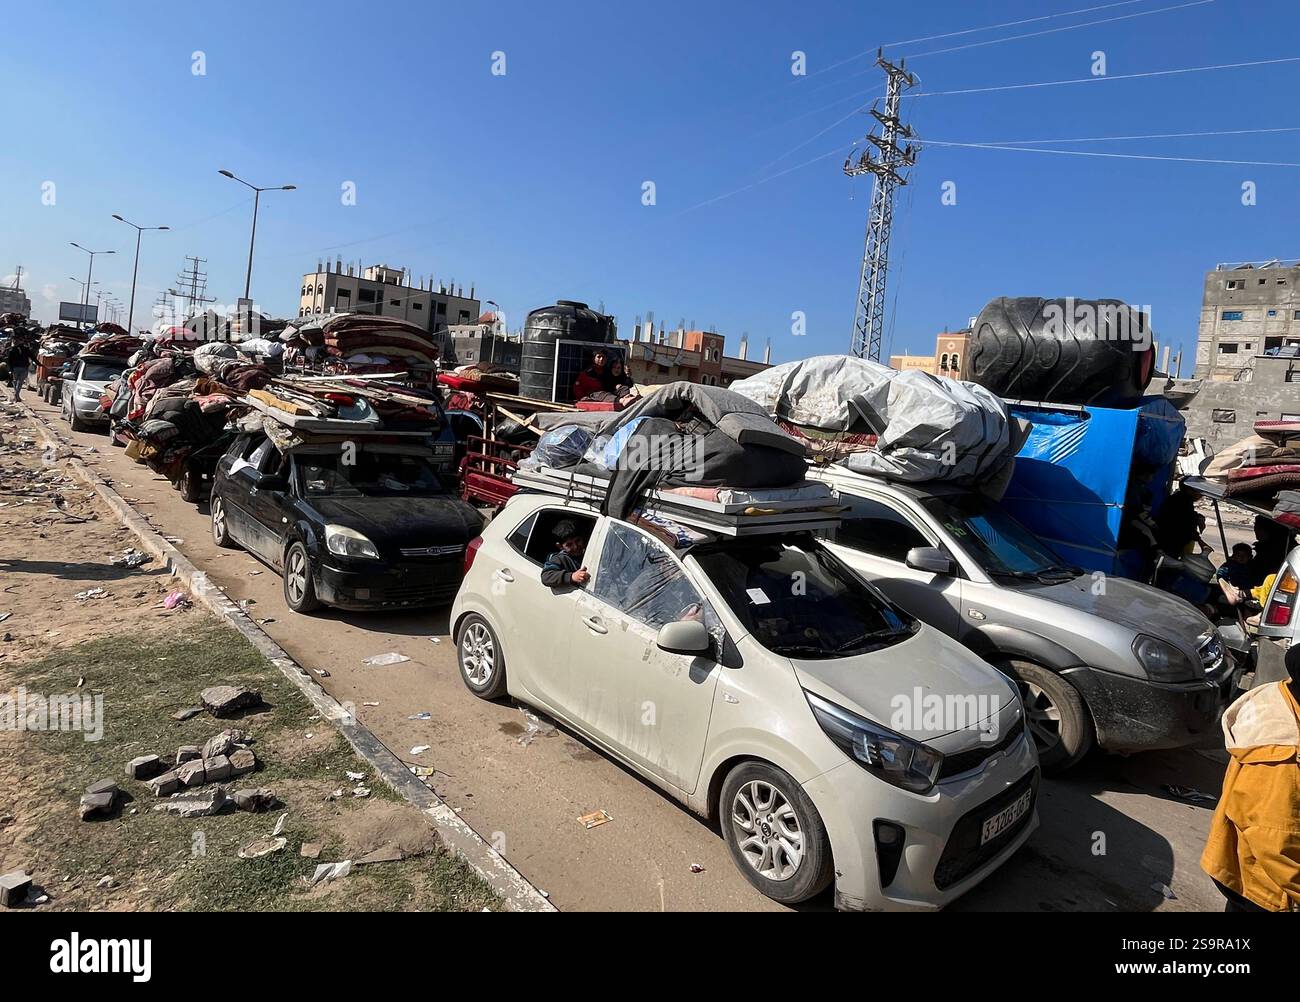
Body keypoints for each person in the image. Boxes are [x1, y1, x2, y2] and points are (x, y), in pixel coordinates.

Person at [1200, 644, 1300, 912]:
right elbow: (1275, 842)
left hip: (1249, 867)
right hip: (1265, 886)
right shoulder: (1283, 754)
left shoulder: (1281, 694)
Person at [541, 519, 591, 588]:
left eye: (578, 540)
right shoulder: (560, 559)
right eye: (569, 544)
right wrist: (571, 576)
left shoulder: (589, 551)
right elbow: (546, 576)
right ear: (560, 546)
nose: (576, 546)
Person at [1215, 543, 1257, 607]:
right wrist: (1227, 585)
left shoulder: (1252, 566)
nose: (1241, 558)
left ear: (1250, 556)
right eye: (1238, 555)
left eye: (1244, 555)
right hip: (1235, 589)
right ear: (1234, 556)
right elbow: (1221, 573)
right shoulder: (1230, 565)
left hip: (1249, 591)